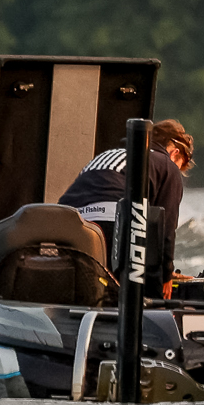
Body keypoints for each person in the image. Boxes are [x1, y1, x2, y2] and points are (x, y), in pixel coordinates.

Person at [57, 119, 194, 293]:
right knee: (133, 290)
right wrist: (165, 275)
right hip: (113, 221)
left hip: (68, 222)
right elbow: (165, 227)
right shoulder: (167, 165)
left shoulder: (108, 154)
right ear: (175, 153)